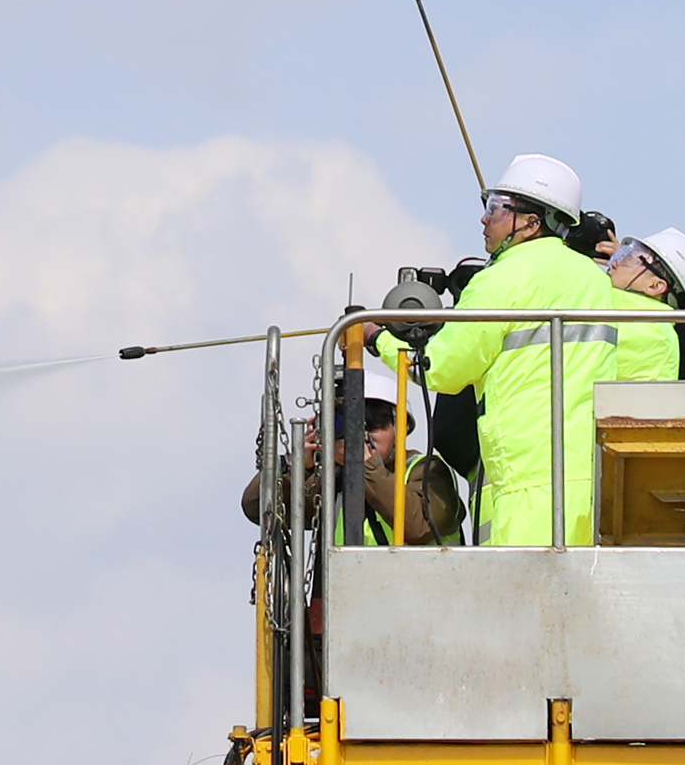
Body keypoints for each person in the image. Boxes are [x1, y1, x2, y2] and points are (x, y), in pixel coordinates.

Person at [369, 155, 640, 548]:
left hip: (526, 483)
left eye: (497, 208)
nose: (485, 219)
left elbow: (441, 368)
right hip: (588, 482)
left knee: (526, 604)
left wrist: (379, 339)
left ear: (531, 222)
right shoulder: (594, 281)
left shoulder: (498, 281)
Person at [238, 364, 461, 543]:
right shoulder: (332, 484)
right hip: (353, 596)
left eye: (375, 422)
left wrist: (366, 466)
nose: (363, 435)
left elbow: (419, 525)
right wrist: (296, 466)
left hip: (422, 596)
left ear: (401, 428)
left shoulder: (426, 470)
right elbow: (257, 507)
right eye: (348, 424)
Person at [608, 227, 685, 381]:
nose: (615, 262)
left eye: (630, 258)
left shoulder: (599, 300)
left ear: (655, 286)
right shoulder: (677, 335)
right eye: (624, 253)